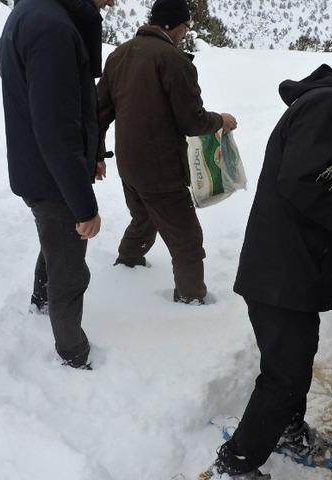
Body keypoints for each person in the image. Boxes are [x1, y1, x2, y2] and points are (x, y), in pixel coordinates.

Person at [200, 45, 332, 479]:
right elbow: (303, 182)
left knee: (294, 360)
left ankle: (286, 431)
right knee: (285, 375)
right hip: (283, 268)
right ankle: (236, 464)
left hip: (295, 265)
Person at [97, 0, 237, 305]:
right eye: (185, 26)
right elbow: (192, 121)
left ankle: (128, 262)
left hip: (128, 163)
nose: (186, 33)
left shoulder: (119, 55)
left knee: (144, 216)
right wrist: (221, 121)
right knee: (187, 240)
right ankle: (191, 299)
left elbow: (99, 113)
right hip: (160, 169)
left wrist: (97, 154)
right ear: (174, 25)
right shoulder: (173, 60)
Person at [0, 0, 114, 370]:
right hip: (52, 176)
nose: (113, 3)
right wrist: (84, 206)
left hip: (41, 168)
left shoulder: (37, 13)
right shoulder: (52, 28)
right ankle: (73, 352)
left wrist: (92, 153)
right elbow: (56, 129)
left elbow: (71, 104)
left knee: (55, 240)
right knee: (70, 269)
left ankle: (42, 300)